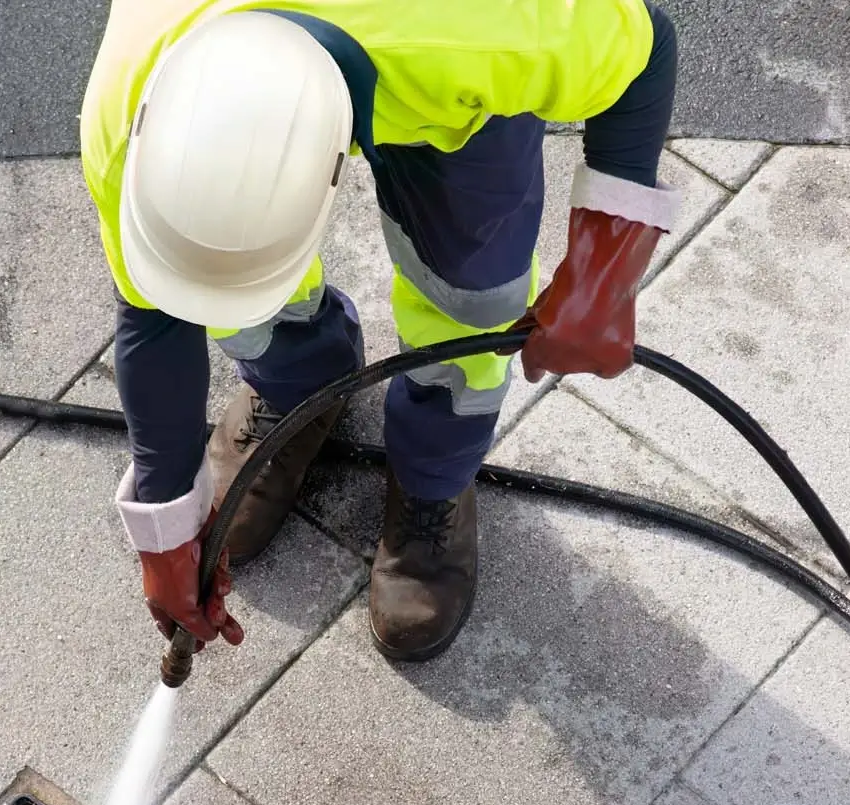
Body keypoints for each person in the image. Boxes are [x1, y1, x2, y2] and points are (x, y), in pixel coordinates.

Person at [85, 0, 679, 660]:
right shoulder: (131, 108)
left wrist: (602, 275)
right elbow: (153, 312)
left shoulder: (496, 28)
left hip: (445, 73)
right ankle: (301, 388)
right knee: (216, 269)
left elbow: (646, 52)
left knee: (473, 292)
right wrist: (163, 526)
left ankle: (435, 475)